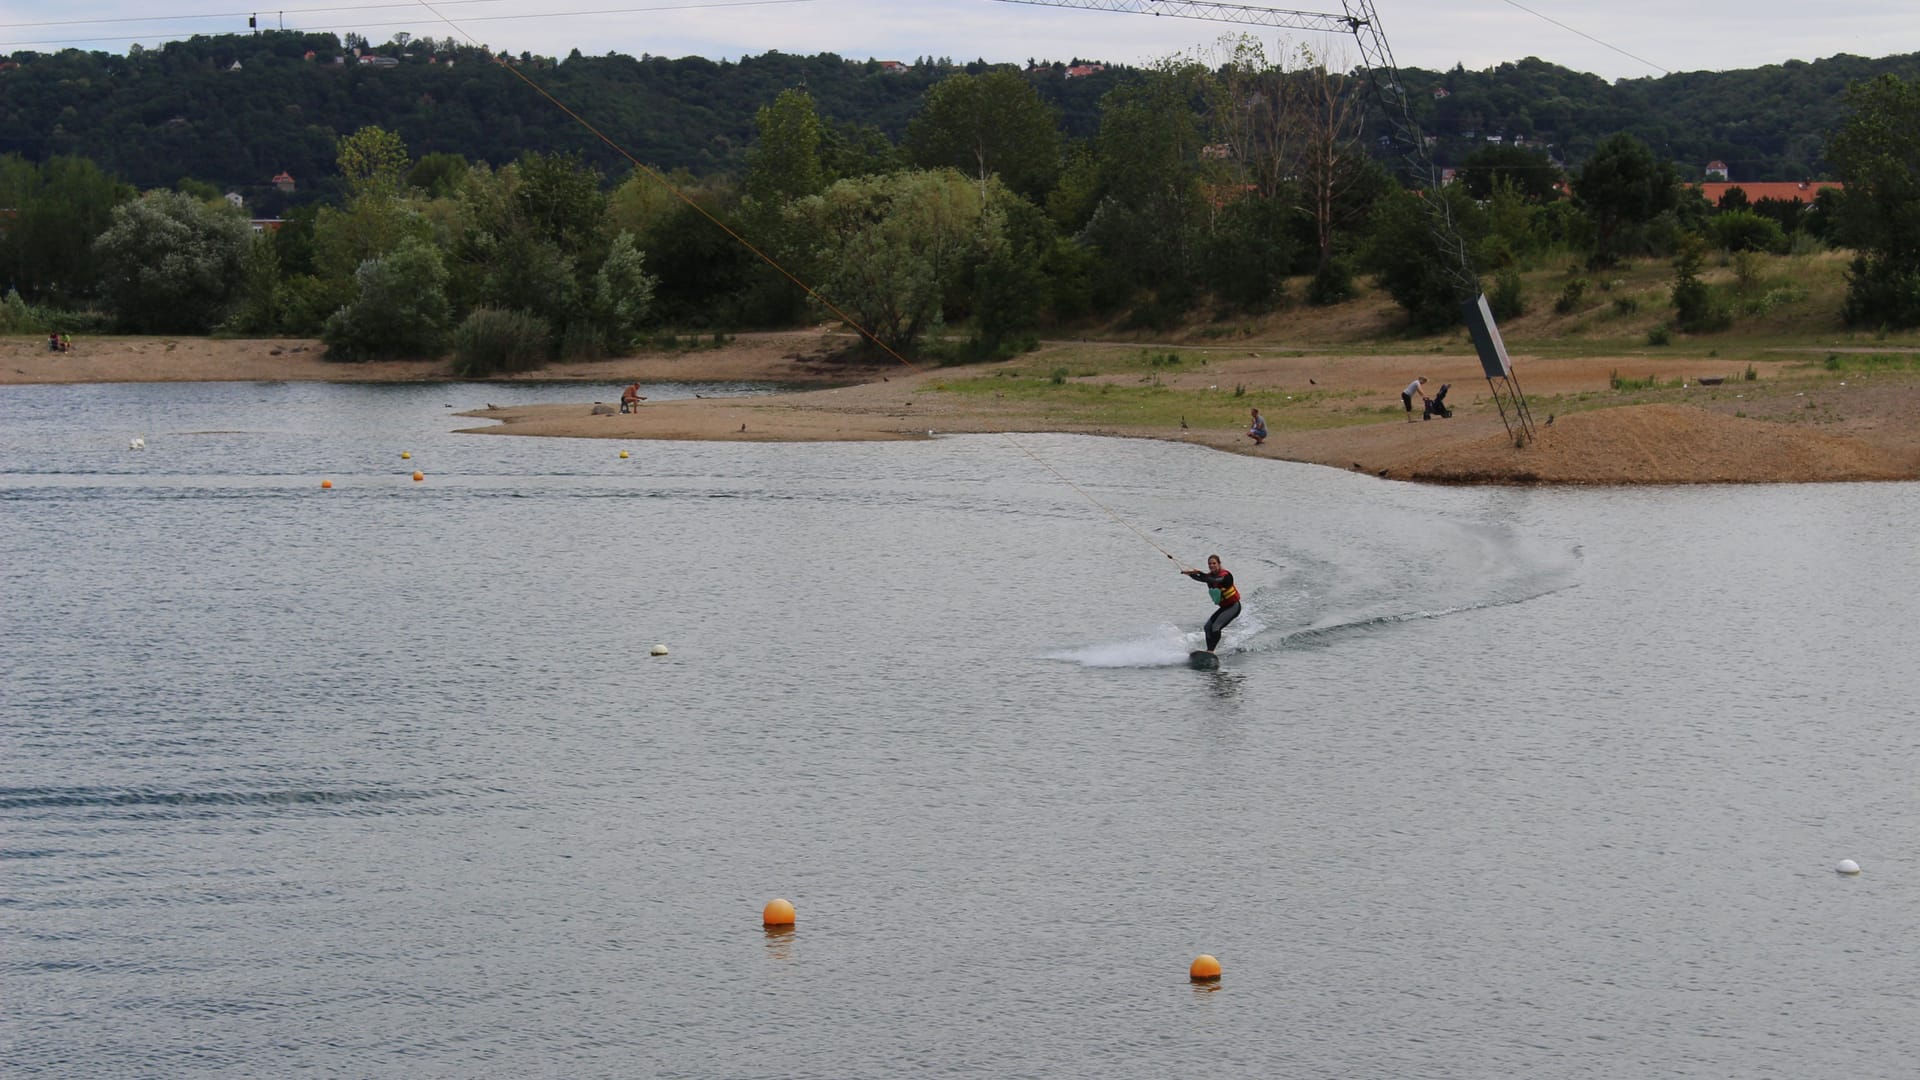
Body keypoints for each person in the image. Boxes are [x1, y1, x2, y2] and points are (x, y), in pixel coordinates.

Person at [1182, 554, 1242, 654]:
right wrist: (1190, 574)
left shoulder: (1226, 576)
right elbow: (1201, 579)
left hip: (1233, 606)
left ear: (1219, 564)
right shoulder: (1209, 576)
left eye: (1214, 563)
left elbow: (1214, 580)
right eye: (1210, 564)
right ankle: (1210, 651)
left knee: (1215, 627)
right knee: (1207, 627)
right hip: (1224, 607)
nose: (1211, 565)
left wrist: (1200, 573)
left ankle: (1210, 652)